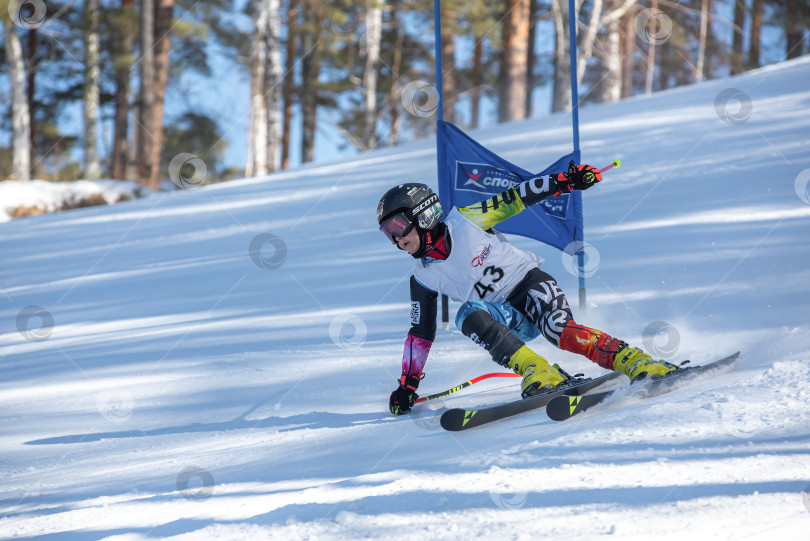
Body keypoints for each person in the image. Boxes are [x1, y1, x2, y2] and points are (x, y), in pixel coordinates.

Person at [377, 161, 678, 415]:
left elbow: (517, 197)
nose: (396, 239)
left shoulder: (467, 221)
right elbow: (420, 334)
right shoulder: (423, 276)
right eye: (388, 233)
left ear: (424, 214)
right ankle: (540, 371)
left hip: (530, 286)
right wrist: (408, 386)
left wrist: (565, 181)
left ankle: (640, 362)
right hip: (506, 318)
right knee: (467, 314)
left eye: (398, 226)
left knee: (562, 332)